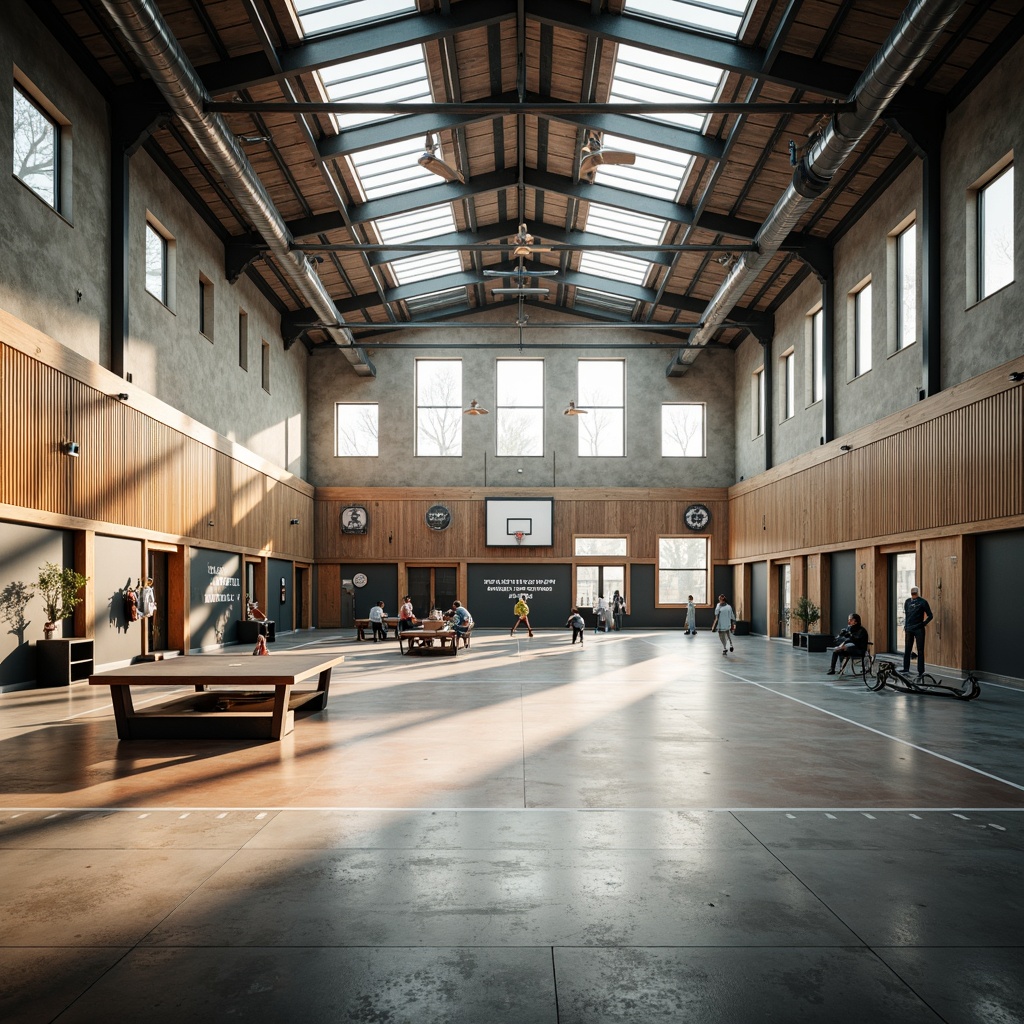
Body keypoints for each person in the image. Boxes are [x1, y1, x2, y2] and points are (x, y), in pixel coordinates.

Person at [903, 586, 934, 676]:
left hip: (918, 628)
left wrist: (923, 624)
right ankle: (906, 668)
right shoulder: (907, 602)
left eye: (914, 592)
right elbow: (907, 614)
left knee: (920, 649)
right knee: (907, 649)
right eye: (912, 593)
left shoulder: (923, 602)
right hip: (909, 628)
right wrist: (906, 626)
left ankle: (920, 670)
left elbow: (930, 615)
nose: (913, 594)